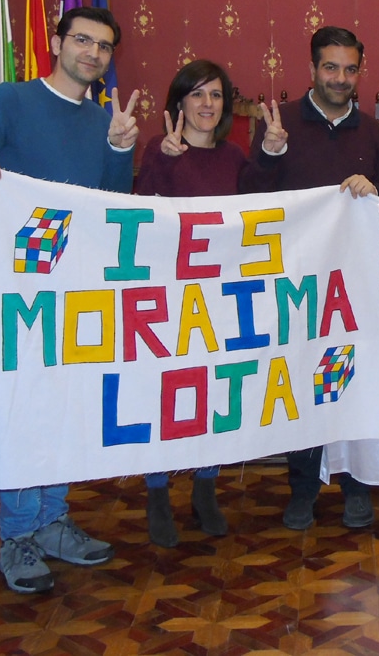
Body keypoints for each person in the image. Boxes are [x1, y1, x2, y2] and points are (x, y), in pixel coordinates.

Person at [0, 6, 139, 593]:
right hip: (18, 290)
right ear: (56, 41)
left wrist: (119, 149)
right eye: (82, 40)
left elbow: (112, 205)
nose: (92, 53)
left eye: (104, 46)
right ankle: (18, 535)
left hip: (78, 288)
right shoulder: (10, 100)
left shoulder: (102, 119)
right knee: (24, 408)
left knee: (65, 407)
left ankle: (52, 521)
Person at [244, 25, 379, 531]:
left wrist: (374, 189)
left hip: (355, 285)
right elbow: (248, 197)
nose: (340, 78)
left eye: (350, 69)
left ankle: (356, 483)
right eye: (330, 67)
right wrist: (270, 154)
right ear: (312, 68)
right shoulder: (280, 123)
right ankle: (303, 488)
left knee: (352, 379)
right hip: (297, 283)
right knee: (300, 383)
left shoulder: (373, 131)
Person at [135, 59, 248, 546]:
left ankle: (205, 489)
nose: (207, 104)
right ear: (179, 102)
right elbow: (136, 212)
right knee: (164, 394)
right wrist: (163, 160)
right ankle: (157, 494)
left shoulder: (235, 158)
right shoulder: (157, 151)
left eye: (216, 95)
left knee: (213, 393)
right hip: (167, 295)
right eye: (197, 94)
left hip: (220, 296)